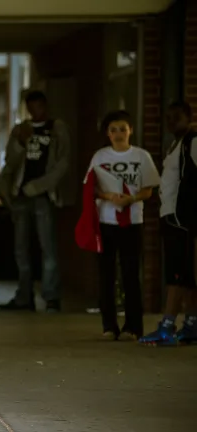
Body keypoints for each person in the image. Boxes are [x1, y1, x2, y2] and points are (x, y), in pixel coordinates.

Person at [84, 110, 160, 340]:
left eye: (122, 129)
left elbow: (148, 189)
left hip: (133, 220)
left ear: (131, 131)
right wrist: (108, 197)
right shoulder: (100, 157)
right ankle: (109, 326)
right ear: (107, 133)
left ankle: (133, 327)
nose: (118, 134)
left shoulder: (141, 156)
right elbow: (90, 187)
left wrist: (131, 199)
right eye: (113, 130)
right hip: (106, 220)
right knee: (106, 274)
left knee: (130, 273)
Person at [0, 90, 72, 313]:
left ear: (45, 106)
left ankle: (51, 297)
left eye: (38, 106)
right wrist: (20, 141)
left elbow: (63, 163)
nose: (34, 111)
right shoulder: (21, 129)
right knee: (21, 249)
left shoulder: (57, 128)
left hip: (43, 196)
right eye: (30, 107)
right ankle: (24, 297)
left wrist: (39, 186)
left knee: (47, 247)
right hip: (21, 195)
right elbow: (10, 160)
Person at [140, 101, 197, 346]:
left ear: (189, 118)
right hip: (170, 215)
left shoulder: (192, 142)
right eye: (168, 118)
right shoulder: (175, 145)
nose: (172, 122)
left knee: (177, 275)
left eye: (177, 117)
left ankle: (167, 325)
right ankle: (192, 323)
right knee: (184, 274)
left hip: (182, 218)